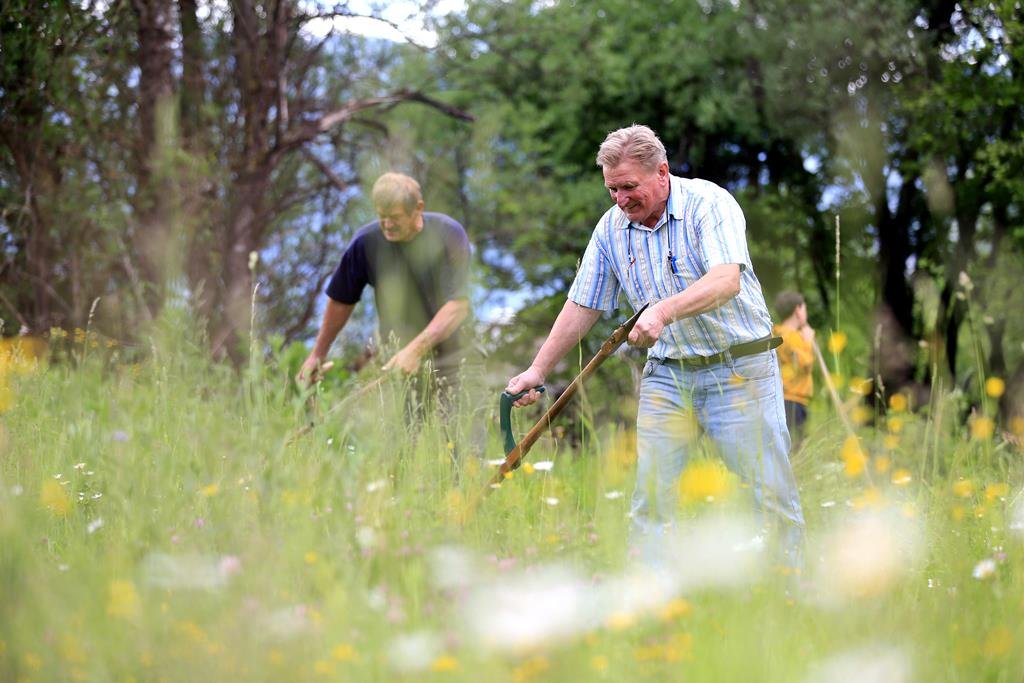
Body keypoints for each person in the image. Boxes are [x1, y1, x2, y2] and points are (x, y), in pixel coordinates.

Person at [505, 125, 804, 568]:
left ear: (662, 173)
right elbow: (583, 303)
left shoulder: (710, 204)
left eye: (629, 186)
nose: (621, 199)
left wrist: (663, 311)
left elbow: (727, 280)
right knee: (652, 498)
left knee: (767, 491)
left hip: (740, 367)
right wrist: (538, 370)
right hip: (668, 374)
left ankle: (790, 594)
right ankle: (651, 602)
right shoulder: (611, 229)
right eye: (612, 190)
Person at [297, 172, 472, 403]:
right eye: (382, 217)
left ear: (418, 208)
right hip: (398, 365)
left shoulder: (449, 234)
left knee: (465, 437)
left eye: (395, 217)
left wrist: (415, 350)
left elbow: (458, 306)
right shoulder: (365, 243)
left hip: (456, 359)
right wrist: (316, 355)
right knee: (409, 438)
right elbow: (341, 299)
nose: (387, 225)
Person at [773, 291, 815, 451]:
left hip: (783, 397)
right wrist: (809, 342)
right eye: (804, 308)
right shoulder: (793, 337)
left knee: (789, 442)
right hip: (793, 399)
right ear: (798, 310)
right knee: (797, 446)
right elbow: (806, 364)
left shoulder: (777, 333)